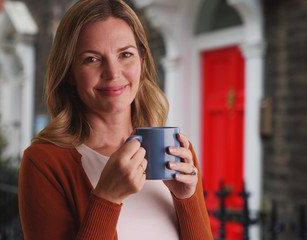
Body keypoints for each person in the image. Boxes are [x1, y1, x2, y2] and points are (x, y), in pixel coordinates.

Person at [18, 0, 213, 239]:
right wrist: (107, 199)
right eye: (92, 59)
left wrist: (186, 199)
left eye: (126, 54)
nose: (112, 73)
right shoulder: (44, 162)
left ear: (141, 60)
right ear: (69, 72)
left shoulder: (176, 152)